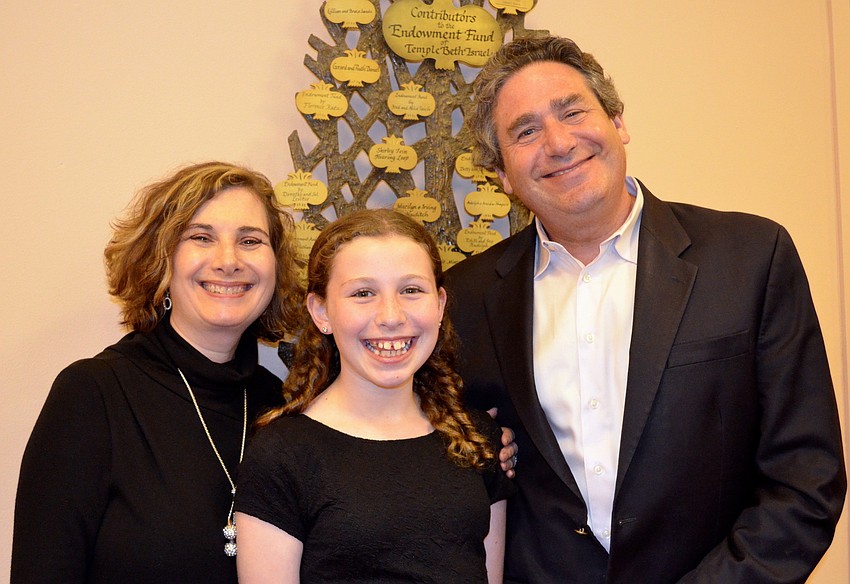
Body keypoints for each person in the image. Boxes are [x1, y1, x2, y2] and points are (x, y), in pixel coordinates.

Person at [444, 35, 846, 584]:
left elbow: (805, 479)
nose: (559, 143)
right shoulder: (464, 298)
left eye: (573, 112)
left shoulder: (750, 258)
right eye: (526, 131)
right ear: (502, 176)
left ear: (617, 122)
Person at [11, 162, 304, 583]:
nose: (228, 261)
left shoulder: (278, 405)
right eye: (201, 237)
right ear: (160, 259)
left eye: (250, 241)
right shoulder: (93, 395)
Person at [234, 209, 515, 583]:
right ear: (321, 311)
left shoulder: (477, 439)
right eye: (363, 293)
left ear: (440, 304)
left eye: (411, 290)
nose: (391, 316)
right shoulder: (282, 454)